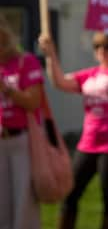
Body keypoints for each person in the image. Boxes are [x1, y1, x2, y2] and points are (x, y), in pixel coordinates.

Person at [38, 0, 108, 229]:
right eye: (98, 46)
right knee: (71, 193)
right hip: (89, 142)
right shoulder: (89, 74)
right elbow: (59, 82)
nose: (102, 52)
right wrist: (50, 54)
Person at [0, 14, 44, 229]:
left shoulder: (25, 62)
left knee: (24, 204)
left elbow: (33, 102)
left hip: (22, 140)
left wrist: (7, 89)